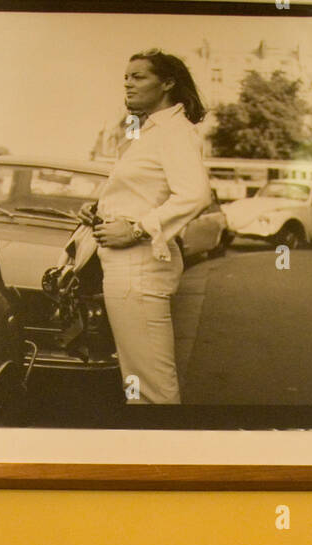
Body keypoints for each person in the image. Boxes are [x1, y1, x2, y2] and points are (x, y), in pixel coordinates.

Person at [82, 50, 211, 405]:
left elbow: (196, 195)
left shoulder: (174, 130)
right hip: (124, 266)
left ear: (167, 83)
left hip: (138, 268)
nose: (127, 83)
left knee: (151, 385)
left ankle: (162, 454)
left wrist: (137, 229)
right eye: (126, 76)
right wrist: (99, 209)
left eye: (138, 76)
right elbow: (146, 190)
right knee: (137, 378)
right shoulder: (149, 131)